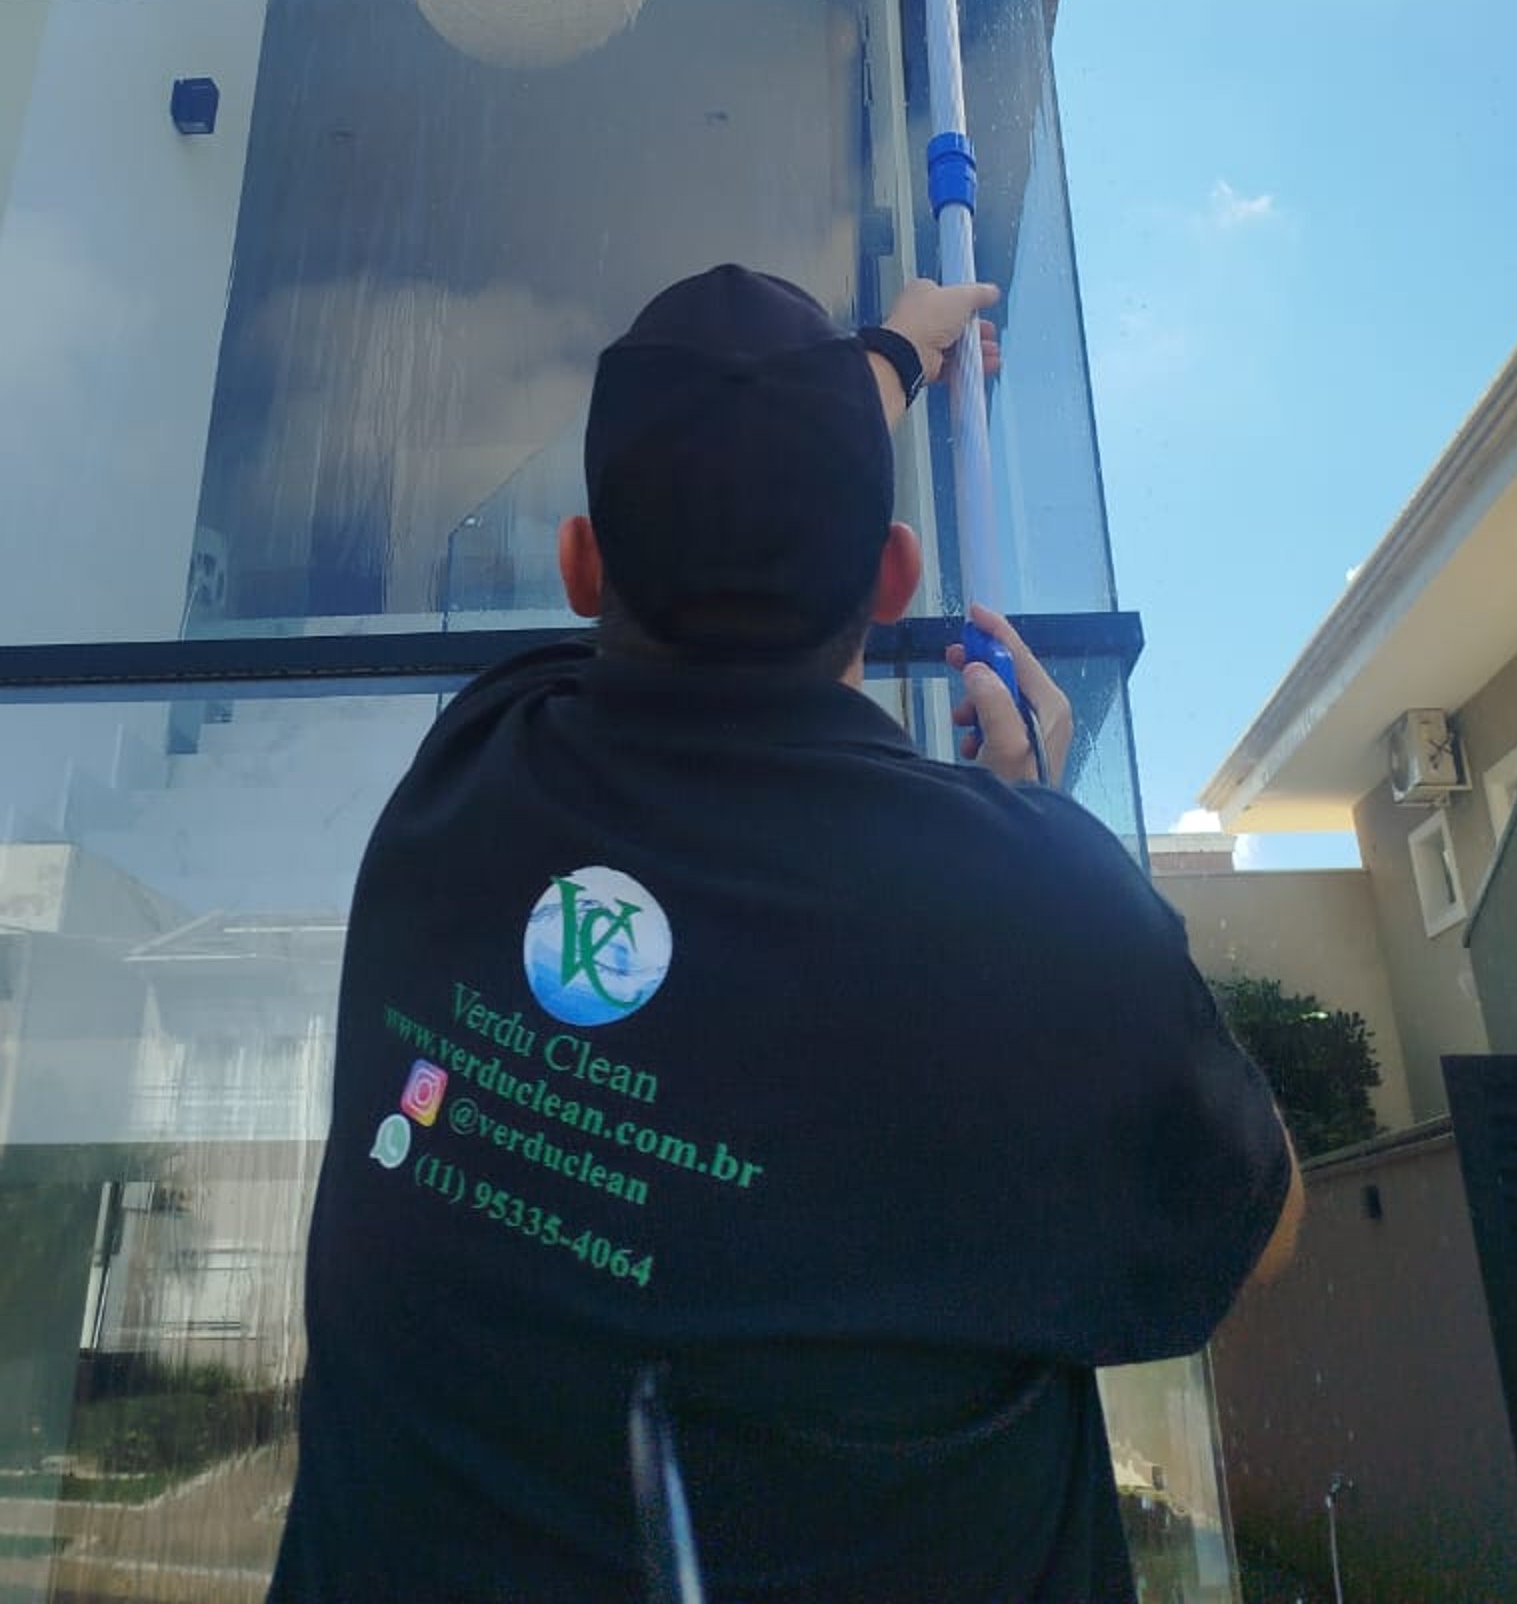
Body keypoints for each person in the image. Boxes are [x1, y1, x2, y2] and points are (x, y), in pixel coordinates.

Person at [268, 266, 1301, 1604]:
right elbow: (1257, 1228)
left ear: (583, 567)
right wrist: (1019, 835)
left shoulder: (470, 770)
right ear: (894, 576)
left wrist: (891, 356)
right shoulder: (1031, 916)